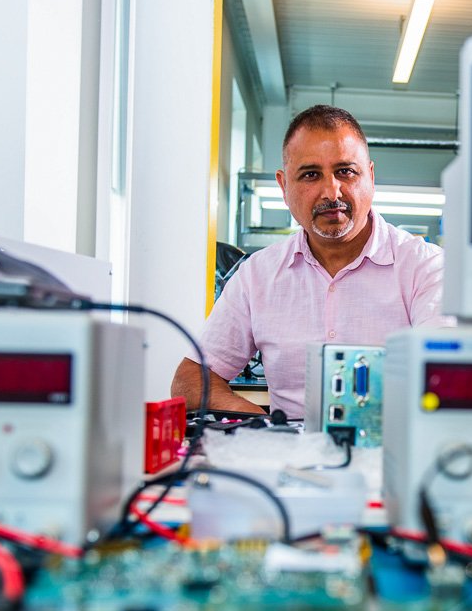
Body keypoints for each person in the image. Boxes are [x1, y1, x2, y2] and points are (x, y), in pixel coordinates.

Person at [171, 104, 446, 419]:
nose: (332, 191)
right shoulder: (257, 276)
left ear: (370, 176)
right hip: (288, 459)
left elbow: (446, 379)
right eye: (311, 175)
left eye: (345, 171)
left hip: (392, 458)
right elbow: (189, 381)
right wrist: (271, 430)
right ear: (284, 186)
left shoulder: (425, 268)